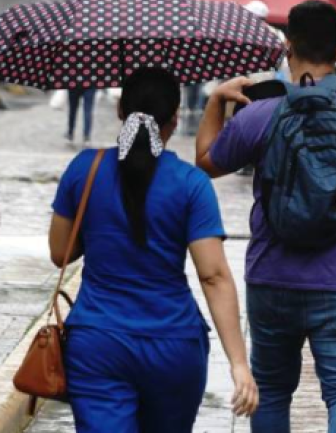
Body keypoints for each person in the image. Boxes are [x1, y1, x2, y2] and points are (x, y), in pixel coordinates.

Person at [196, 0, 336, 433]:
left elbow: (206, 163)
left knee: (271, 388)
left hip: (272, 276)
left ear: (287, 46)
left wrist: (215, 103)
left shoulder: (262, 110)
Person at [49, 67, 258, 432]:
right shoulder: (191, 183)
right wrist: (239, 363)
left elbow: (59, 252)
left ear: (120, 112)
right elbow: (213, 275)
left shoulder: (85, 168)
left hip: (97, 343)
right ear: (175, 118)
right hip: (173, 346)